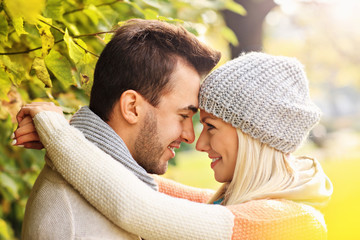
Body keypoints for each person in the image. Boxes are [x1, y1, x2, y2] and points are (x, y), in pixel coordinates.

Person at [16, 52, 333, 239]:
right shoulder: (229, 204)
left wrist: (57, 130)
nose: (200, 142)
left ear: (253, 134)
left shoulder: (285, 222)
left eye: (210, 126)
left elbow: (136, 205)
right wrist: (74, 130)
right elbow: (128, 178)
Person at [13, 18, 221, 240]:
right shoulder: (75, 219)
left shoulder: (113, 189)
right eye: (183, 115)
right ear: (132, 107)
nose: (190, 136)